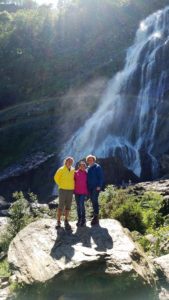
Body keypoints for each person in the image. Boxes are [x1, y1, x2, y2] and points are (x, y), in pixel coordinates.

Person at [54, 156, 75, 230]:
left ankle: (66, 220)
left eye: (71, 161)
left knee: (68, 206)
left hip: (70, 190)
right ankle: (58, 221)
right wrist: (60, 184)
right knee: (61, 205)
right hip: (62, 189)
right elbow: (56, 178)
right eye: (69, 161)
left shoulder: (73, 170)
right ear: (65, 162)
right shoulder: (61, 169)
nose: (70, 162)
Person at [86, 155, 104, 225]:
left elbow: (101, 177)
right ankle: (95, 215)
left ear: (94, 160)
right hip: (89, 187)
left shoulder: (97, 167)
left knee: (94, 200)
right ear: (87, 161)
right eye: (89, 160)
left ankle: (96, 217)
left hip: (95, 187)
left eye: (91, 159)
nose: (90, 161)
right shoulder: (87, 168)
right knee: (93, 200)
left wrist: (99, 186)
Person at [74, 161, 88, 227]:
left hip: (83, 192)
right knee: (78, 206)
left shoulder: (86, 173)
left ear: (85, 167)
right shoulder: (75, 173)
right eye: (81, 166)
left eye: (84, 166)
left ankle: (83, 219)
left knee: (81, 205)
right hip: (76, 192)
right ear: (79, 166)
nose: (82, 167)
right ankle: (79, 219)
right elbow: (72, 181)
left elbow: (89, 182)